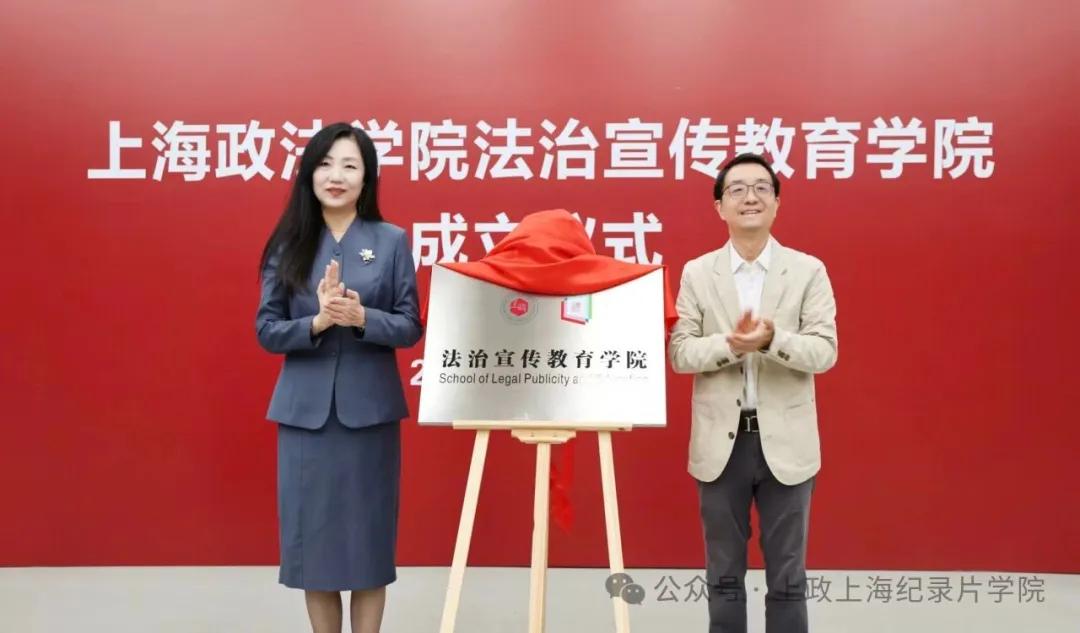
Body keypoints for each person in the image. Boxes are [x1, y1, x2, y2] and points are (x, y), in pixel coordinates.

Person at [256, 122, 422, 633]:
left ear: (366, 178)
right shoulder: (287, 245)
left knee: (368, 546)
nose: (336, 176)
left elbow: (410, 325)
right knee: (317, 553)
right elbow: (267, 330)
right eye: (326, 164)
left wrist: (362, 317)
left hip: (369, 416)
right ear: (309, 174)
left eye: (350, 165)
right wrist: (318, 322)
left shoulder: (391, 240)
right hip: (305, 420)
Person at [669, 153, 838, 633]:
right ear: (719, 206)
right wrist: (730, 344)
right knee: (723, 572)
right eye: (737, 189)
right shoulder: (697, 272)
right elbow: (680, 353)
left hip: (787, 441)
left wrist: (770, 341)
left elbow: (824, 351)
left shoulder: (807, 270)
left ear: (777, 203)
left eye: (762, 188)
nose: (750, 197)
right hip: (721, 443)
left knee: (788, 574)